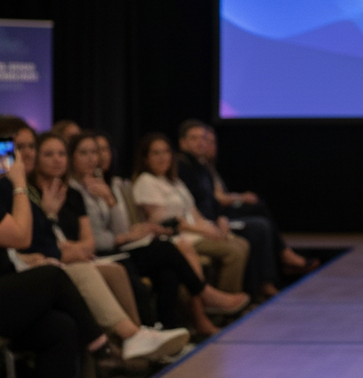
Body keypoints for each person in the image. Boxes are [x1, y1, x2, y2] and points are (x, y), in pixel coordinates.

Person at [12, 128, 191, 362]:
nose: (56, 159)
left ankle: (139, 342)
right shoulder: (26, 193)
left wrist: (109, 200)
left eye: (60, 154)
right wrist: (55, 226)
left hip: (76, 256)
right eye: (48, 154)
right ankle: (136, 341)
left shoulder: (71, 193)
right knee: (146, 259)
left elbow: (94, 239)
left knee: (152, 266)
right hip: (57, 261)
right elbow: (33, 242)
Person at [0, 139, 126, 378]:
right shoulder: (16, 188)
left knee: (61, 328)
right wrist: (18, 185)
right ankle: (102, 347)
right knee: (56, 277)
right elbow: (21, 236)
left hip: (8, 289)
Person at [68, 131, 248, 335]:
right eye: (85, 153)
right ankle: (203, 295)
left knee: (168, 273)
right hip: (106, 253)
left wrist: (110, 201)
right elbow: (101, 239)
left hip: (121, 246)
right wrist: (127, 235)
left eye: (96, 152)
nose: (94, 158)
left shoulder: (104, 185)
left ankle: (166, 333)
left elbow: (119, 228)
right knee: (168, 249)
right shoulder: (74, 190)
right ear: (72, 157)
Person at [131, 133, 250, 297]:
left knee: (242, 243)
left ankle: (229, 299)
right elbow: (167, 223)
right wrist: (204, 231)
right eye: (156, 153)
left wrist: (212, 228)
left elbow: (194, 212)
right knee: (234, 251)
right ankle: (223, 304)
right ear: (145, 158)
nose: (162, 158)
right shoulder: (146, 182)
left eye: (166, 152)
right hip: (179, 238)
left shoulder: (174, 181)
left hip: (194, 232)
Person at [204, 125, 318, 277]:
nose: (209, 146)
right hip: (218, 215)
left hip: (220, 213)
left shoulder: (207, 168)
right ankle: (284, 256)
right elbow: (217, 199)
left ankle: (276, 269)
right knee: (258, 218)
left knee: (260, 218)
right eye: (205, 141)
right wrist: (240, 197)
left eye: (212, 142)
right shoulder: (195, 171)